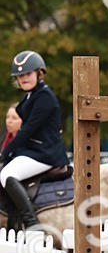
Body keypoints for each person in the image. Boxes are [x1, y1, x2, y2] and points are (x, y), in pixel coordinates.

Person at [2, 50, 68, 231]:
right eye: (20, 75)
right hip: (33, 151)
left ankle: (32, 224)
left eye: (28, 74)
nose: (24, 78)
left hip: (45, 153)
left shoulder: (44, 97)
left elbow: (28, 130)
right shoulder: (32, 95)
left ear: (39, 73)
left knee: (6, 175)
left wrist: (5, 151)